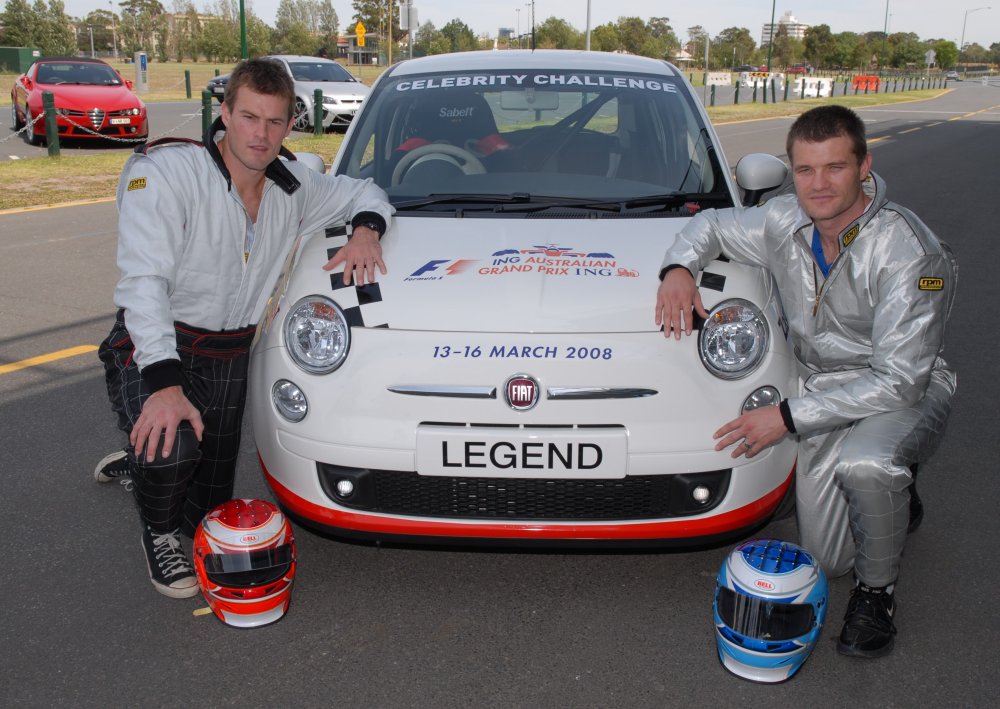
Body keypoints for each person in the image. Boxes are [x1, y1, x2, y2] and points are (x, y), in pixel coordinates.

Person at [654, 105, 956, 659]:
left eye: (835, 168)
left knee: (865, 465)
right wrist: (678, 269)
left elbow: (899, 382)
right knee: (828, 556)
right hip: (821, 386)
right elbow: (709, 224)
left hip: (903, 389)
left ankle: (876, 595)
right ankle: (893, 494)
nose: (819, 185)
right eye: (805, 170)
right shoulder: (783, 220)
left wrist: (785, 418)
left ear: (864, 166)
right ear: (791, 172)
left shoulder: (912, 253)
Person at [94, 58, 392, 598]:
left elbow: (366, 192)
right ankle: (157, 532)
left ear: (289, 125)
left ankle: (145, 466)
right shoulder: (167, 174)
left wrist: (367, 232)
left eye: (275, 122)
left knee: (206, 510)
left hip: (228, 355)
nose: (261, 134)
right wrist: (163, 387)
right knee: (174, 447)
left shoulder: (294, 184)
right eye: (250, 117)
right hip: (157, 339)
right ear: (225, 113)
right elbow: (144, 285)